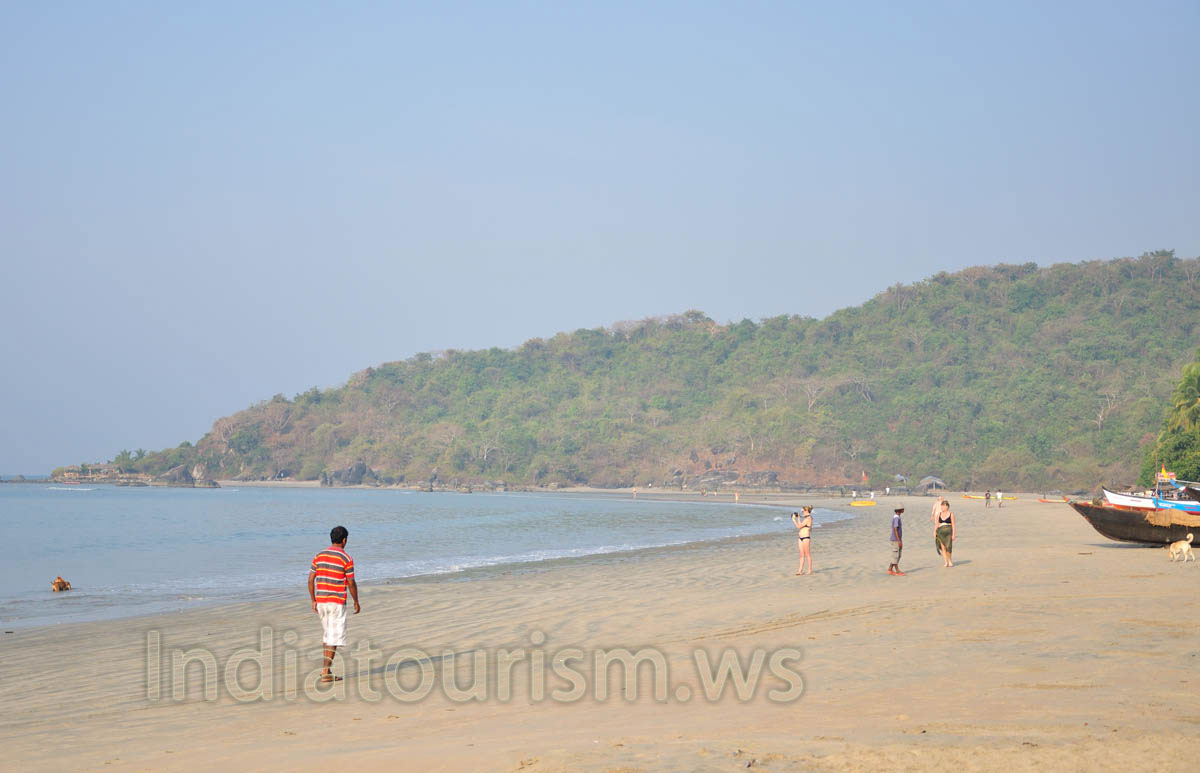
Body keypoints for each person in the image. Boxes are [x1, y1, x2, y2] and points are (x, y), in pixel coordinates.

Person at [308, 525, 360, 682]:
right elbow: (351, 583)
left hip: (321, 602)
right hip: (336, 602)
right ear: (344, 540)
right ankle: (325, 672)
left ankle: (327, 670)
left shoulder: (319, 555)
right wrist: (356, 601)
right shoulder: (346, 558)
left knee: (328, 635)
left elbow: (311, 580)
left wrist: (313, 600)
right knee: (333, 637)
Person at [792, 506, 814, 575]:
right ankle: (800, 571)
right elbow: (800, 526)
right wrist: (798, 518)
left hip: (806, 538)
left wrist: (793, 520)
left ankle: (809, 570)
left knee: (807, 554)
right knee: (801, 555)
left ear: (807, 511)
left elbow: (798, 526)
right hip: (800, 538)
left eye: (803, 511)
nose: (802, 512)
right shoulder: (805, 518)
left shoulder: (808, 518)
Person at [934, 500, 956, 567]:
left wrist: (954, 534)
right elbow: (936, 524)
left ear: (947, 506)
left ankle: (949, 560)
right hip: (940, 532)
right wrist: (934, 532)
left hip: (948, 532)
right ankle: (945, 562)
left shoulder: (951, 514)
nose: (942, 507)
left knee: (948, 547)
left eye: (943, 506)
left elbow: (953, 525)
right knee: (943, 547)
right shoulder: (939, 514)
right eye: (941, 506)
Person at [888, 507, 905, 576]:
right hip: (895, 540)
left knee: (898, 555)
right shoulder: (896, 518)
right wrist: (898, 541)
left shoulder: (897, 517)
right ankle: (897, 570)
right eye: (903, 509)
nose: (904, 510)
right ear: (900, 510)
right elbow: (895, 529)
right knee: (896, 555)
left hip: (897, 540)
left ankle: (890, 569)